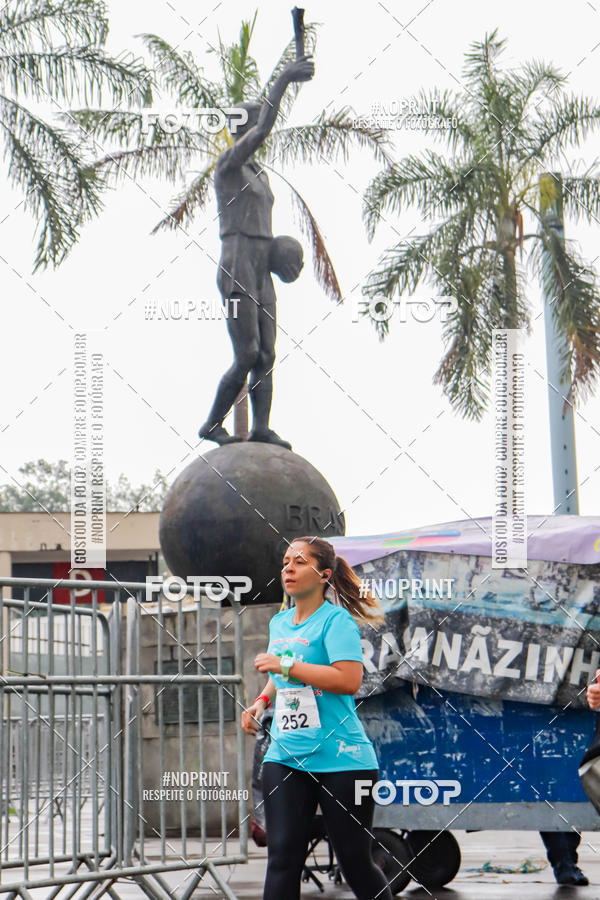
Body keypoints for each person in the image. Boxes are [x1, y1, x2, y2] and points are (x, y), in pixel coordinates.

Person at [241, 535, 394, 900]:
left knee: (355, 860)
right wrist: (262, 700)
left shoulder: (336, 621)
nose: (288, 569)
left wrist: (288, 665)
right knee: (282, 858)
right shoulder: (279, 623)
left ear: (324, 574)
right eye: (284, 563)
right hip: (287, 755)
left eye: (298, 562)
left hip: (344, 761)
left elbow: (348, 680)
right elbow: (279, 678)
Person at [198, 50, 314, 449]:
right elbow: (265, 129)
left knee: (267, 355)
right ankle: (212, 425)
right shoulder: (228, 166)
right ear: (241, 131)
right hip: (236, 267)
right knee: (246, 353)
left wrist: (283, 252)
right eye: (249, 126)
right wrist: (284, 79)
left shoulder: (259, 174)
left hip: (261, 268)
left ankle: (261, 426)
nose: (256, 133)